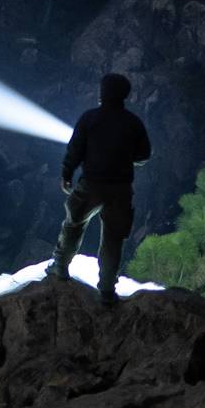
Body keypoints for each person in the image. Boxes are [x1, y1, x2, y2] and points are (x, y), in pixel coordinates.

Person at [48, 72, 152, 307]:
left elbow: (75, 149)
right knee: (113, 239)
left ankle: (60, 267)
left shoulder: (89, 118)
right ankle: (106, 290)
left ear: (103, 92)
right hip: (121, 189)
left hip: (91, 185)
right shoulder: (133, 123)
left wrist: (67, 173)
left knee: (73, 225)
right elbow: (144, 154)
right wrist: (125, 159)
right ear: (124, 95)